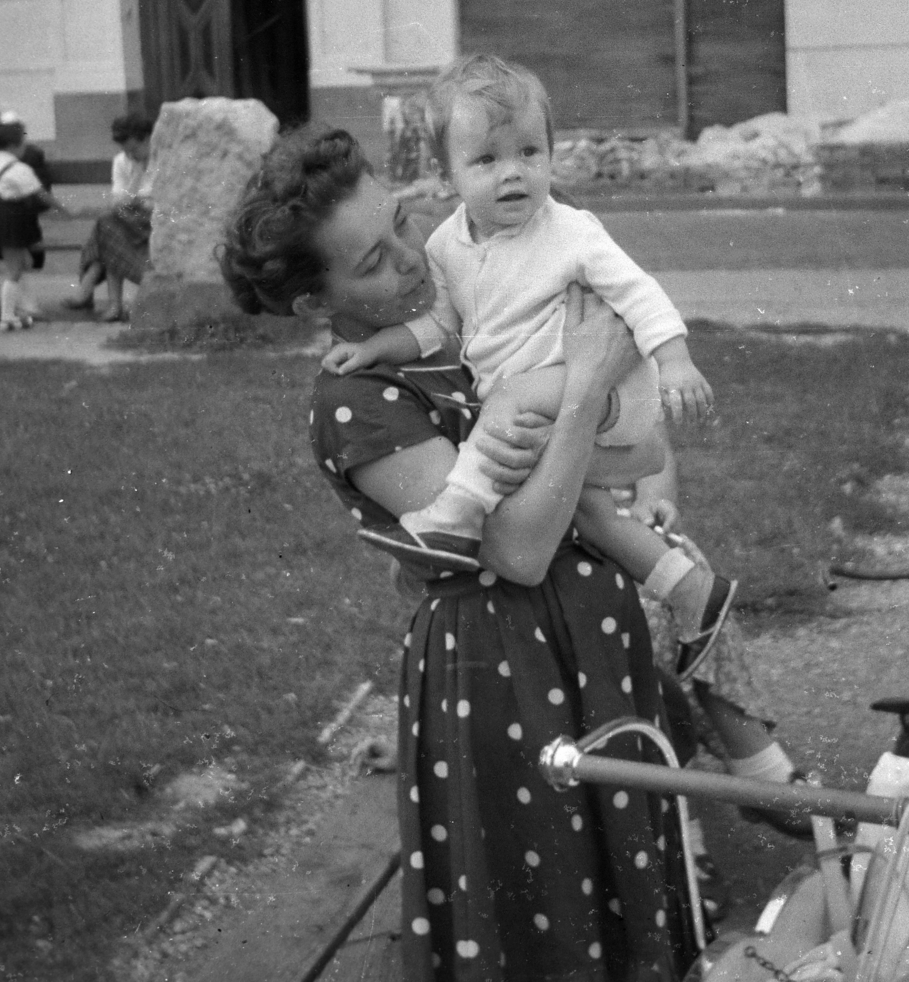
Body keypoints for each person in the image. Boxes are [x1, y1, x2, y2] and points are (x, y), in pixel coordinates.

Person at [221, 125, 699, 982]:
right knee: (545, 897)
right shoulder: (355, 401)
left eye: (405, 221)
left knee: (621, 870)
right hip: (504, 668)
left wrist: (585, 434)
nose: (412, 257)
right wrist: (586, 384)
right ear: (311, 301)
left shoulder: (464, 311)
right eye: (373, 259)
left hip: (588, 641)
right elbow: (516, 547)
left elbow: (637, 451)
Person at [322, 54, 734, 679]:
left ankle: (453, 514)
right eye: (487, 160)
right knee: (590, 510)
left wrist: (673, 359)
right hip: (564, 399)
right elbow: (441, 327)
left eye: (529, 153)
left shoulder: (570, 232)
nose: (512, 174)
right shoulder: (446, 248)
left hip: (607, 385)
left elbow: (638, 291)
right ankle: (692, 590)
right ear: (448, 173)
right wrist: (380, 350)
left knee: (507, 404)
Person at [64, 112, 154, 322]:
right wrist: (137, 175)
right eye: (125, 151)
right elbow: (117, 199)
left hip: (154, 221)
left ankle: (96, 294)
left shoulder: (163, 159)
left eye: (134, 149)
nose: (130, 156)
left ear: (149, 138)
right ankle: (111, 304)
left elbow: (164, 200)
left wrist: (137, 199)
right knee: (110, 223)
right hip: (128, 220)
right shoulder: (122, 161)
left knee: (107, 224)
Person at [0, 117, 60, 330]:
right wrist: (64, 209)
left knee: (24, 263)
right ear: (13, 145)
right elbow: (40, 194)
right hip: (12, 220)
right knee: (14, 270)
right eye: (23, 143)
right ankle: (7, 316)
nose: (25, 147)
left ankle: (21, 309)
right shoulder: (19, 169)